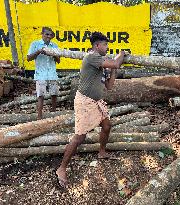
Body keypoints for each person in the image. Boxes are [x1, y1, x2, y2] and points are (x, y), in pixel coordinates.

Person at [56, 31, 126, 188]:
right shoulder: (91, 56)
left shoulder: (102, 63)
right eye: (105, 45)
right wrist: (122, 55)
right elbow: (115, 62)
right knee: (80, 138)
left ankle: (101, 152)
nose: (107, 48)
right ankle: (61, 168)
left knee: (107, 126)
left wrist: (114, 69)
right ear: (97, 45)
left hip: (97, 101)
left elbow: (109, 86)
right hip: (84, 102)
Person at [27, 27, 60, 120]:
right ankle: (39, 117)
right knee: (41, 95)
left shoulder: (54, 46)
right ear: (42, 34)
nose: (49, 36)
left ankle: (53, 114)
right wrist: (39, 51)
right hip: (40, 74)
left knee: (54, 94)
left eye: (50, 35)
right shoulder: (35, 44)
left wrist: (53, 54)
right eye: (47, 34)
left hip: (52, 74)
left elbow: (58, 61)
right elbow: (28, 58)